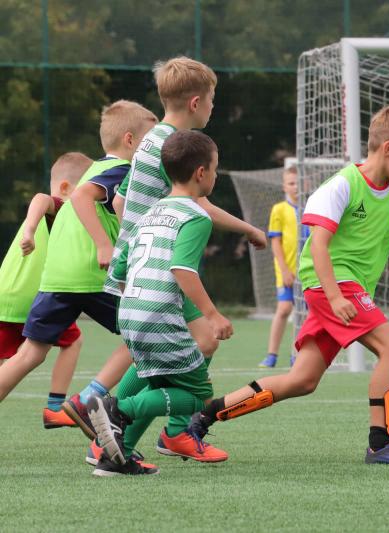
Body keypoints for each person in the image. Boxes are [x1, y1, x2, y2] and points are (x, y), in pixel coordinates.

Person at [186, 102, 389, 464]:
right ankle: (381, 444)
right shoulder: (342, 185)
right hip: (333, 285)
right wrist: (336, 296)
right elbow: (318, 245)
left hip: (342, 290)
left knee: (302, 380)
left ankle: (202, 418)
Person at [62, 56, 267, 464]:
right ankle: (168, 431)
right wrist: (249, 229)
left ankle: (115, 439)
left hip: (137, 265)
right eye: (212, 100)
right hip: (157, 270)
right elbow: (199, 205)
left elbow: (120, 202)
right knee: (203, 340)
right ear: (196, 103)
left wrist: (137, 240)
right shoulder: (174, 146)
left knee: (157, 355)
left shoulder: (150, 141)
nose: (213, 107)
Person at [88, 130, 231, 476]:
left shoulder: (150, 212)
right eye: (215, 169)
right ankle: (118, 410)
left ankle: (115, 457)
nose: (215, 176)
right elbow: (182, 268)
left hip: (130, 311)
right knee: (197, 395)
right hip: (159, 316)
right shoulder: (196, 217)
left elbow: (120, 265)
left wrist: (138, 297)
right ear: (201, 173)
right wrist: (213, 315)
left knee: (157, 381)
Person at [0, 101, 156, 411]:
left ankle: (78, 404)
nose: (155, 150)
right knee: (147, 332)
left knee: (31, 353)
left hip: (56, 279)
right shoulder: (122, 171)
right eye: (149, 142)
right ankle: (88, 401)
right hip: (93, 276)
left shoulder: (92, 171)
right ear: (129, 140)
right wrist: (103, 244)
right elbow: (82, 199)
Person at [0, 153, 91, 428]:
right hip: (31, 299)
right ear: (65, 188)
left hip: (7, 295)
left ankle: (55, 408)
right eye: (87, 189)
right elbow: (42, 198)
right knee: (72, 341)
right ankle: (54, 407)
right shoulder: (61, 210)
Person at [260, 166, 307, 368]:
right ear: (284, 187)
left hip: (307, 271)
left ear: (307, 183)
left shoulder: (311, 208)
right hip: (286, 270)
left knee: (305, 314)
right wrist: (285, 270)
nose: (295, 186)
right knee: (285, 308)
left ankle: (297, 354)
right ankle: (271, 355)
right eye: (291, 183)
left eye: (299, 182)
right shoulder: (279, 209)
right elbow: (276, 242)